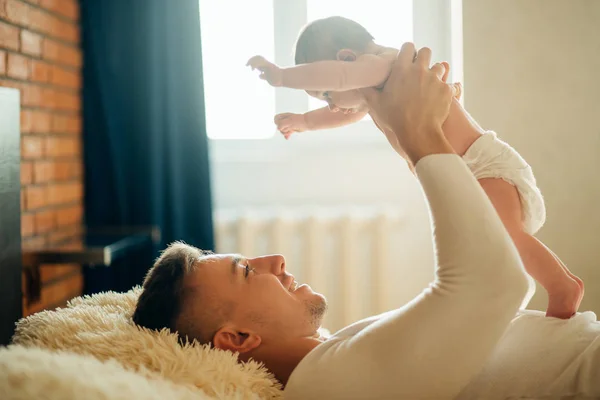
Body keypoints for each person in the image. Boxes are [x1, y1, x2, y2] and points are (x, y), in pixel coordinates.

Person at [133, 43, 600, 399]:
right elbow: (498, 283)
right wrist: (419, 136)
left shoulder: (337, 354)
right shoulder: (331, 382)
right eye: (246, 271)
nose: (274, 259)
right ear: (236, 338)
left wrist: (417, 145)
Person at [247, 16, 584, 319]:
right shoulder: (374, 87)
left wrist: (280, 78)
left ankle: (562, 287)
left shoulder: (385, 65)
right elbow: (341, 108)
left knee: (507, 236)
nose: (331, 105)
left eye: (326, 94)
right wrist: (305, 121)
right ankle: (508, 303)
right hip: (466, 172)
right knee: (489, 248)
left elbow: (341, 78)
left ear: (347, 59)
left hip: (484, 165)